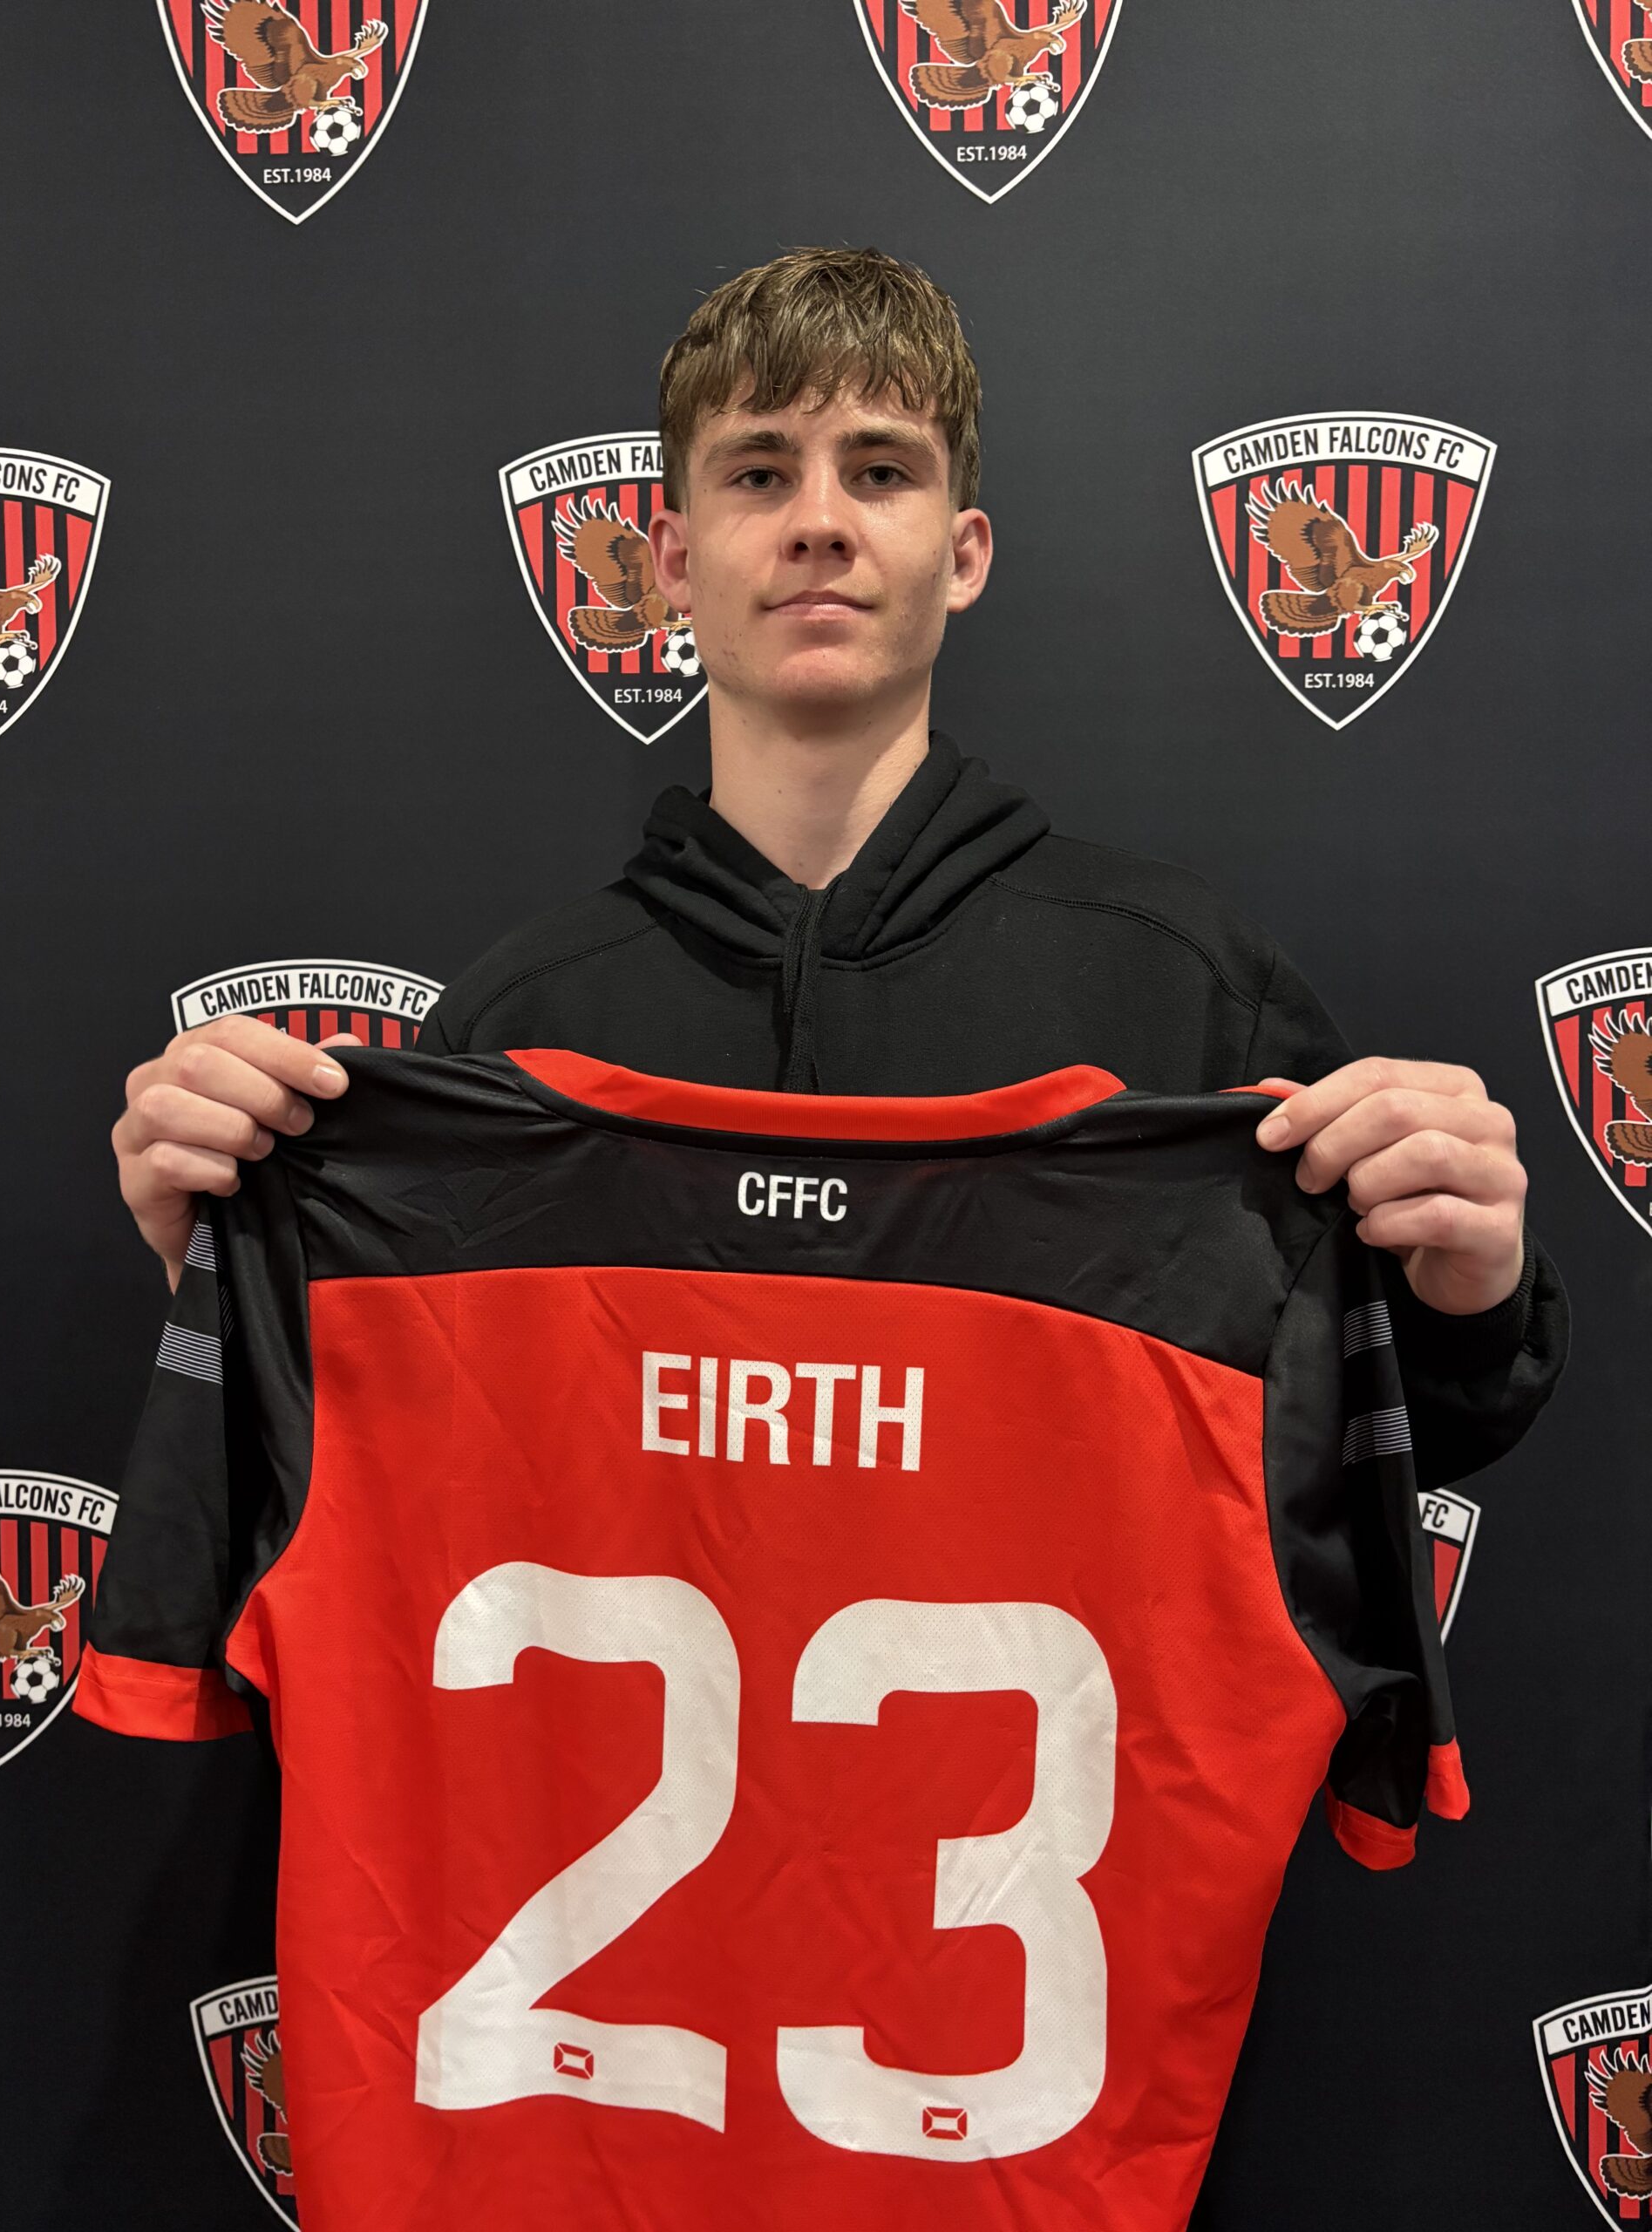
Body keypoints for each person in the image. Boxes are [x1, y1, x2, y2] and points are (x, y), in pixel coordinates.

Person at [111, 245, 1566, 1485]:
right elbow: (380, 1476)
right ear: (673, 561)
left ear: (964, 552)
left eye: (880, 470)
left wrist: (1464, 1291)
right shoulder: (517, 1027)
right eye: (760, 472)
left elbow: (1373, 1459)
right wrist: (229, 1270)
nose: (819, 521)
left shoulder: (1186, 992)